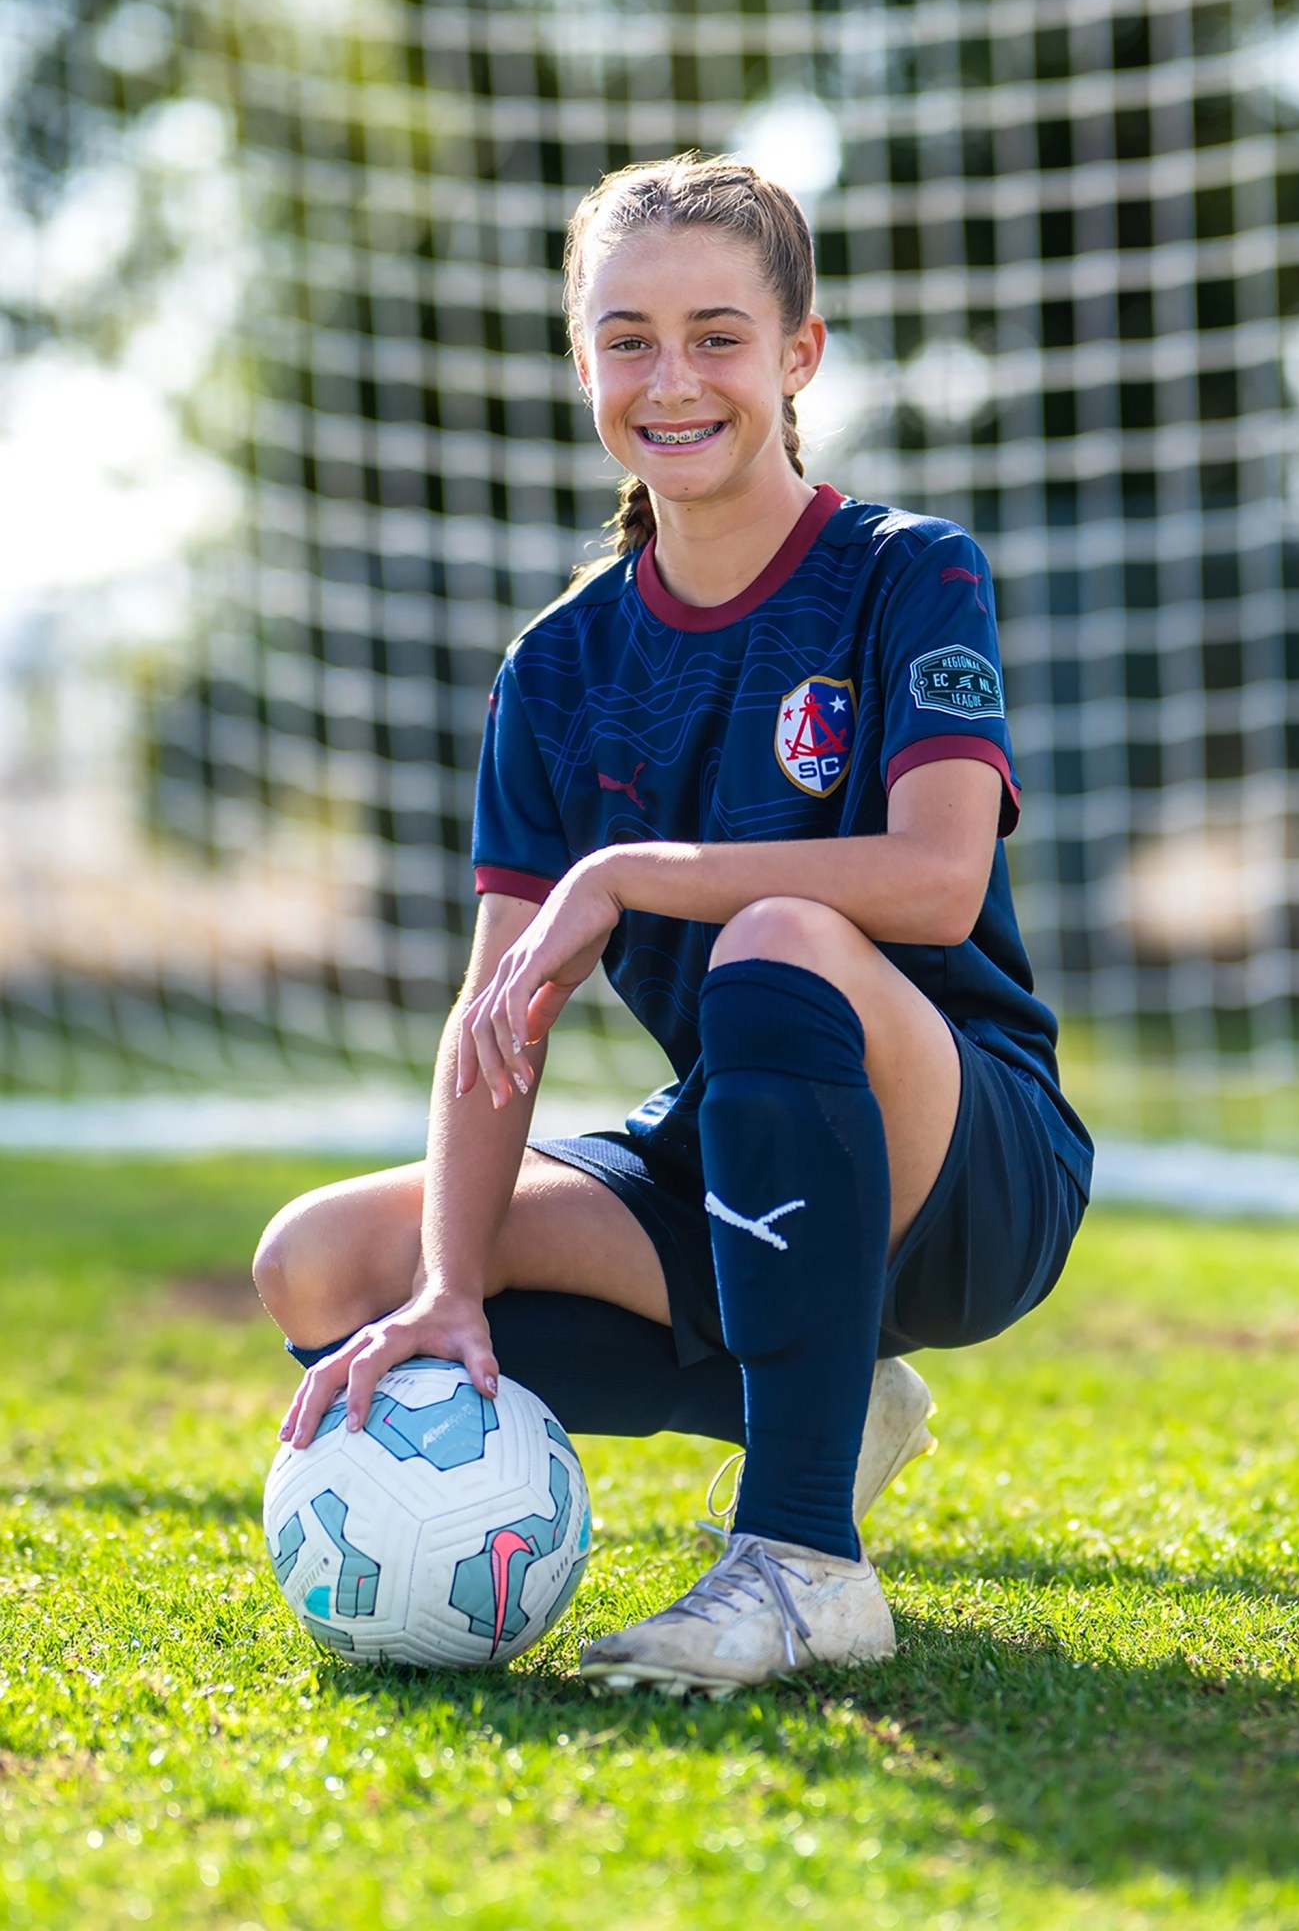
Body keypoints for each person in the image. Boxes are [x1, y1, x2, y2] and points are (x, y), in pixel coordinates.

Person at [254, 152, 1093, 1697]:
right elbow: (492, 1015)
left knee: (776, 939)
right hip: (731, 1151)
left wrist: (640, 870)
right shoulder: (559, 667)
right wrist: (445, 1284)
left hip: (965, 1158)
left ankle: (798, 1557)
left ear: (797, 355)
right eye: (627, 338)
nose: (673, 378)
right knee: (323, 1263)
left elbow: (935, 881)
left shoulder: (905, 574)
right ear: (584, 365)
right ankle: (848, 1406)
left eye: (717, 334)